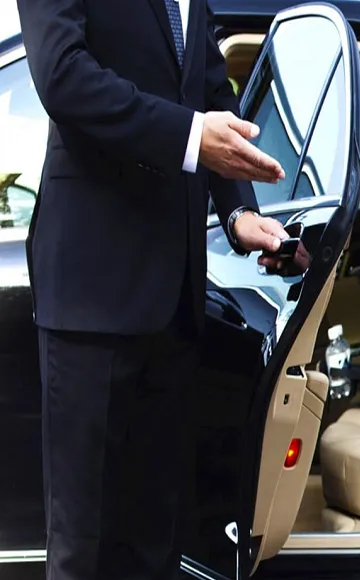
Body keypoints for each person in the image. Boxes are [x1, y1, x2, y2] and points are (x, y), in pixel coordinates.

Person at [15, 0, 289, 578]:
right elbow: (62, 75)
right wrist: (191, 137)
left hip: (176, 298)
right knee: (84, 552)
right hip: (92, 295)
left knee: (156, 548)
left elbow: (208, 88)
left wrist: (239, 212)